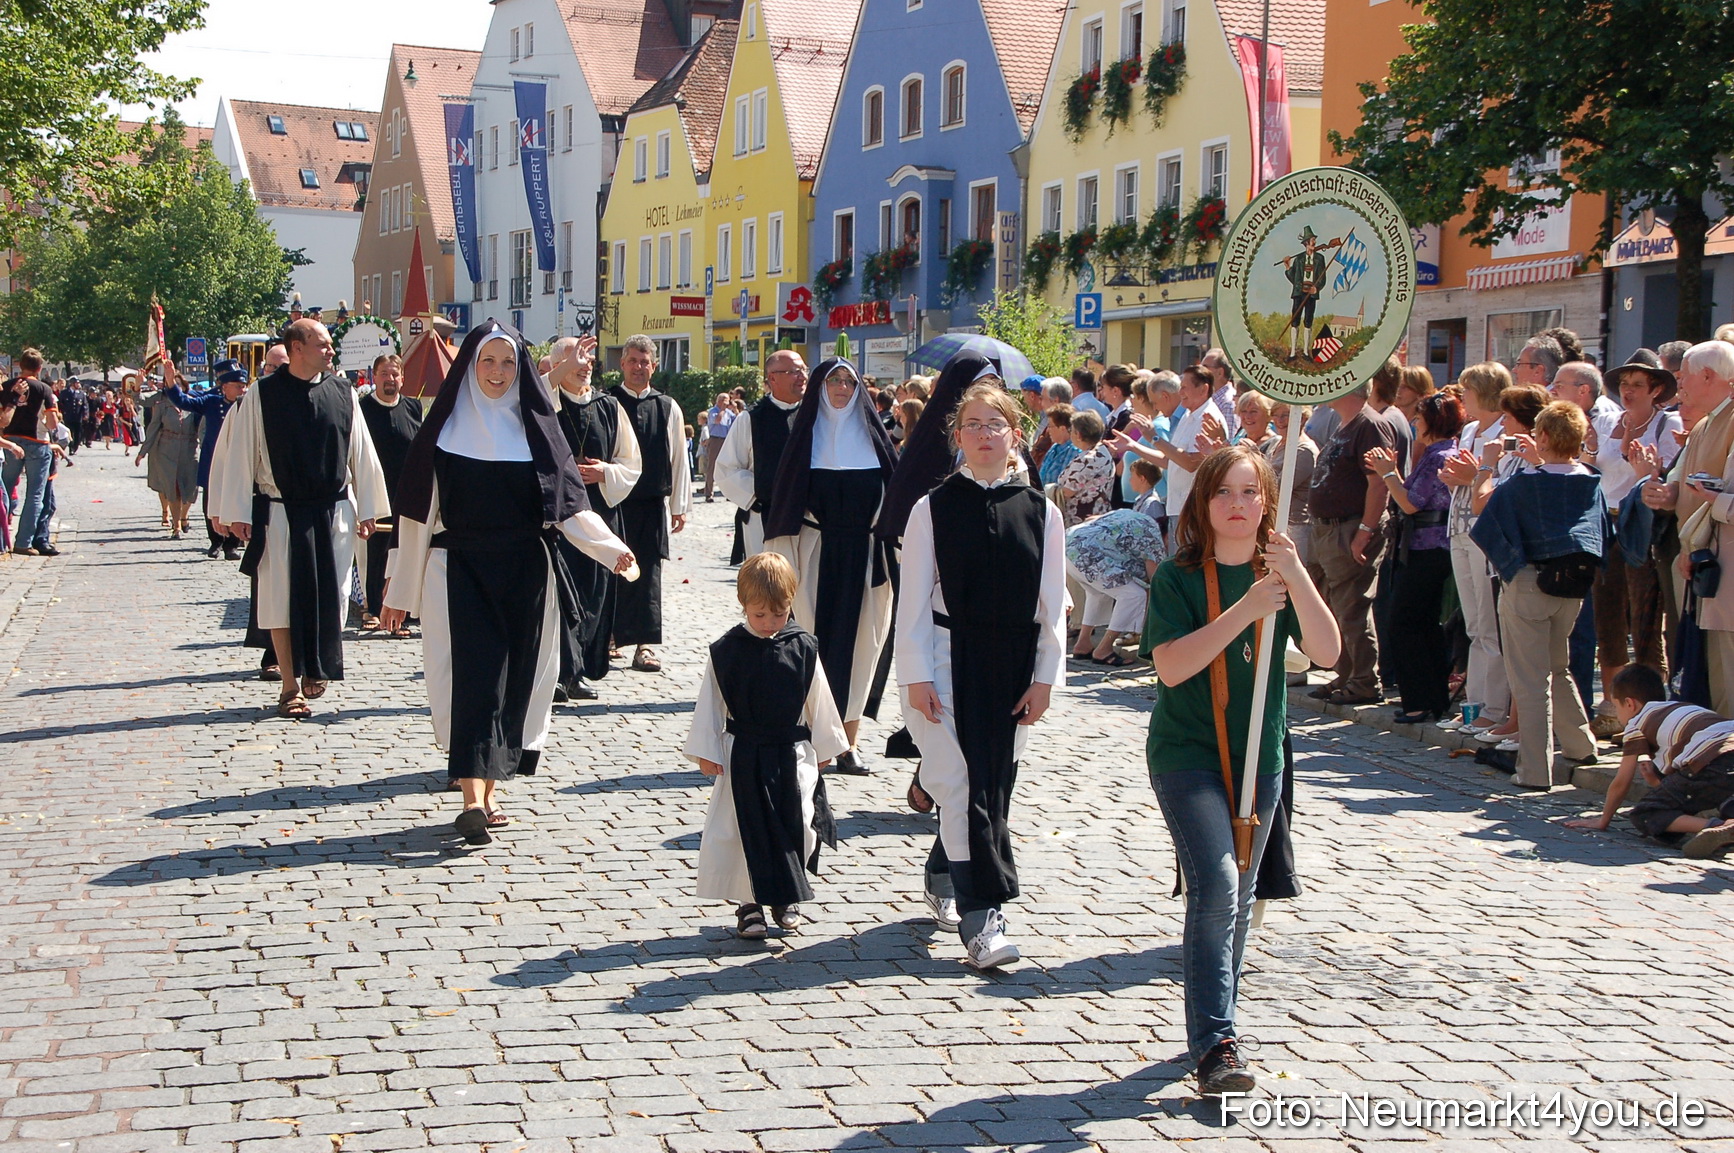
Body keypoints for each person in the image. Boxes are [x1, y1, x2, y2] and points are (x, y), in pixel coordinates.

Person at [379, 322, 636, 843]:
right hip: (457, 570)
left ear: (520, 369)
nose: (497, 373)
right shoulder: (444, 432)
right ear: (469, 367)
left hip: (525, 570)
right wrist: (399, 592)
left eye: (507, 363)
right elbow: (417, 518)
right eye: (487, 362)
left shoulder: (538, 432)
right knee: (473, 678)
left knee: (515, 679)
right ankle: (473, 796)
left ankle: (491, 789)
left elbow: (569, 508)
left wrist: (611, 550)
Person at [1141, 444, 1338, 1095]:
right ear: (1203, 502)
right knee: (1219, 883)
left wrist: (1296, 579)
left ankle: (1211, 1023)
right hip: (1188, 754)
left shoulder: (1279, 575)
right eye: (1224, 491)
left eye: (1250, 492)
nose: (1237, 504)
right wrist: (1246, 610)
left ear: (1267, 503)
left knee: (1240, 900)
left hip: (1262, 758)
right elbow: (1171, 666)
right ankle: (1217, 1042)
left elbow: (1329, 650)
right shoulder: (1177, 577)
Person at [897, 382, 1066, 969]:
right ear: (958, 436)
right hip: (946, 658)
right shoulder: (932, 508)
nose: (986, 434)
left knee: (991, 785)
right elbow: (913, 602)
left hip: (1013, 667)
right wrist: (916, 676)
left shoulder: (1042, 512)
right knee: (965, 782)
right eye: (974, 424)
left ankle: (945, 872)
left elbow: (1052, 603)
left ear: (1015, 433)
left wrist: (1046, 677)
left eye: (996, 423)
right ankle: (983, 918)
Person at [208, 319, 390, 717]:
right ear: (297, 349)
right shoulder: (263, 395)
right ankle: (290, 685)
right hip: (281, 509)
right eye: (322, 344)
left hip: (334, 509)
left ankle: (318, 666)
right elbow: (243, 452)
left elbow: (360, 449)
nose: (330, 350)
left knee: (335, 595)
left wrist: (370, 507)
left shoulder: (344, 393)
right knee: (280, 598)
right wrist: (237, 511)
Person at [686, 551, 849, 937]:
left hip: (792, 753)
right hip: (744, 753)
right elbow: (711, 700)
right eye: (760, 615)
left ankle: (785, 894)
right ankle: (749, 905)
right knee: (745, 830)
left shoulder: (803, 646)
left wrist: (826, 746)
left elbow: (818, 697)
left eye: (778, 614)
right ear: (744, 606)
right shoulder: (727, 650)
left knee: (800, 824)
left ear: (790, 605)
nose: (768, 623)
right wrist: (708, 751)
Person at [763, 358, 898, 777]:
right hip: (816, 552)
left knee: (861, 647)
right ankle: (812, 736)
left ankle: (849, 742)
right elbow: (786, 502)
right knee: (812, 643)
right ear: (820, 387)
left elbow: (895, 497)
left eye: (849, 380)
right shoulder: (806, 439)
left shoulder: (874, 442)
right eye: (834, 380)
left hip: (865, 553)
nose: (841, 386)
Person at [1470, 401, 1606, 789]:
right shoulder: (1591, 481)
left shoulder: (1525, 483)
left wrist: (1486, 465)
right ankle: (1581, 745)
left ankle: (1534, 770)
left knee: (1530, 681)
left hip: (1529, 581)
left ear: (1542, 437)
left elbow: (1484, 509)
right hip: (1573, 585)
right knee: (1556, 666)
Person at [1642, 340, 1734, 713]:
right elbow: (1689, 490)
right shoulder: (1705, 423)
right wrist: (1666, 495)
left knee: (1726, 671)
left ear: (1709, 376)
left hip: (1721, 564)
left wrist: (1706, 516)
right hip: (1703, 562)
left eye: (1685, 380)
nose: (1681, 390)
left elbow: (1716, 497)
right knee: (1709, 668)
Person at [548, 335, 642, 702]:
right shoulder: (548, 403)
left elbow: (630, 462)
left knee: (594, 595)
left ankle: (579, 671)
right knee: (561, 596)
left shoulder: (609, 406)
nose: (585, 363)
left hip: (601, 511)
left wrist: (606, 472)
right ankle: (558, 671)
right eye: (576, 357)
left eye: (588, 357)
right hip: (559, 517)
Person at [1563, 663, 1734, 858]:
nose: (1619, 717)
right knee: (1722, 793)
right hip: (1726, 747)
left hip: (1710, 758)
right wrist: (1656, 783)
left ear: (1629, 704)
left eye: (1617, 708)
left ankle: (1719, 827)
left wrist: (1603, 820)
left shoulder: (1636, 722)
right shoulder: (1683, 707)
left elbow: (1622, 780)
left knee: (1646, 813)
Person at [1365, 392, 1464, 722]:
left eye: (1420, 418)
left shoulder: (1439, 456)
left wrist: (1387, 473)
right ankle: (1430, 697)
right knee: (1424, 624)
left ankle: (1420, 700)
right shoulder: (1436, 453)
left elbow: (1411, 503)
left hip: (1427, 547)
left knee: (1405, 622)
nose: (1414, 423)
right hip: (1425, 546)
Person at [1434, 363, 1516, 739]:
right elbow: (1464, 478)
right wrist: (1452, 477)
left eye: (1466, 390)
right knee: (1473, 624)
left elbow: (1505, 482)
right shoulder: (1468, 430)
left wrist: (1472, 476)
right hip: (1459, 526)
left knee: (1489, 624)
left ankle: (1492, 709)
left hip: (1485, 532)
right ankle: (1474, 705)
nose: (1461, 398)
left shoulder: (1506, 430)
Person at [1304, 382, 1394, 705]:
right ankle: (1346, 674)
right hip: (1330, 530)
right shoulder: (1346, 424)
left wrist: (1366, 530)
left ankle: (1365, 680)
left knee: (1352, 605)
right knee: (1334, 604)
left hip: (1351, 528)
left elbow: (1378, 484)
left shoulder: (1370, 425)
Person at [608, 335, 690, 673]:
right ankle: (610, 637)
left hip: (653, 502)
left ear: (654, 366)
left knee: (649, 576)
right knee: (611, 569)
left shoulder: (667, 406)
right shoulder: (607, 402)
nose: (639, 367)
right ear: (622, 364)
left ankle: (644, 646)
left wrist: (679, 505)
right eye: (632, 361)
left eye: (645, 362)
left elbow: (678, 458)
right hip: (615, 503)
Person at [1602, 355, 1682, 685]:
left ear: (1656, 390)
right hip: (1609, 523)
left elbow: (1667, 474)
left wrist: (1648, 473)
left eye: (1637, 385)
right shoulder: (1612, 422)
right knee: (1607, 618)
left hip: (1646, 527)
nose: (1628, 391)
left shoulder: (1668, 423)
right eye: (1624, 384)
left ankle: (1651, 704)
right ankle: (1612, 706)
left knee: (1645, 618)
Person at [716, 349, 808, 560]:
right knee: (767, 587)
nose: (802, 377)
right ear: (773, 378)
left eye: (804, 370)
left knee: (805, 589)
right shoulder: (751, 419)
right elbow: (726, 470)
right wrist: (762, 492)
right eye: (794, 371)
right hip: (764, 518)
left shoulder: (813, 416)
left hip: (808, 520)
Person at [357, 353, 424, 632]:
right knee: (375, 552)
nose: (390, 379)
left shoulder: (413, 407)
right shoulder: (362, 408)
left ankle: (403, 611)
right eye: (384, 374)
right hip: (374, 490)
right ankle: (372, 608)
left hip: (406, 493)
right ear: (374, 377)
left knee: (404, 551)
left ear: (402, 378)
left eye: (395, 374)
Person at [162, 359, 250, 560]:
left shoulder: (248, 404)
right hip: (214, 458)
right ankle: (216, 541)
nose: (242, 390)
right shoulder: (212, 402)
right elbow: (184, 402)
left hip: (239, 459)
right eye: (237, 386)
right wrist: (170, 381)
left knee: (238, 498)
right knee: (212, 500)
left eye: (243, 386)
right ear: (225, 387)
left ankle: (232, 545)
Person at [1066, 496, 1167, 665]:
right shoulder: (1154, 535)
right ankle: (1104, 649)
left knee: (1099, 593)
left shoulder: (1133, 516)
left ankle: (1082, 644)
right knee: (1134, 595)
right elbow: (1155, 583)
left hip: (1070, 545)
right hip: (1087, 552)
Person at [1138, 365, 1225, 534]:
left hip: (1193, 509)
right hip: (1179, 507)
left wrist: (1154, 438)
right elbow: (1172, 460)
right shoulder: (1188, 415)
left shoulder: (1209, 417)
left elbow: (1192, 462)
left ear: (1203, 389)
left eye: (1184, 388)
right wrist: (1133, 445)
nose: (1180, 393)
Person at [3, 349, 62, 556]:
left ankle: (3, 538)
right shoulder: (44, 388)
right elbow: (52, 423)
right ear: (39, 368)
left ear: (20, 365)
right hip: (37, 442)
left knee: (5, 489)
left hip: (10, 441)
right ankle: (23, 542)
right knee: (35, 495)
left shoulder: (8, 386)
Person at [136, 370, 203, 540]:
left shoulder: (194, 402)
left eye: (177, 383)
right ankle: (176, 526)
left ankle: (184, 516)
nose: (175, 386)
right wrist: (143, 452)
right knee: (174, 489)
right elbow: (152, 427)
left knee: (191, 488)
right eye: (171, 383)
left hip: (189, 448)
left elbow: (203, 427)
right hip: (167, 450)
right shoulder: (162, 403)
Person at [1054, 410, 1113, 525]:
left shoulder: (1087, 459)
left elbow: (1068, 491)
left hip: (1081, 519)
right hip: (1098, 514)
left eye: (1071, 430)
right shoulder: (1102, 450)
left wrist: (1049, 490)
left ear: (1079, 435)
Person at [1199, 348, 1242, 442]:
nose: (1199, 372)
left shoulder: (1229, 403)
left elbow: (1230, 441)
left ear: (1220, 373)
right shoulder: (1210, 399)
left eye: (1205, 367)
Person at [701, 391, 735, 501]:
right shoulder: (712, 412)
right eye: (726, 401)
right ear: (720, 401)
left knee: (728, 467)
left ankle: (729, 493)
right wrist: (722, 410)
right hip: (715, 440)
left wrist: (735, 409)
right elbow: (717, 421)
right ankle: (708, 494)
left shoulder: (729, 413)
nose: (728, 403)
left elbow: (738, 421)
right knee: (712, 467)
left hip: (726, 440)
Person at [1038, 405, 1079, 486]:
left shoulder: (1074, 451)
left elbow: (1064, 483)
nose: (1048, 430)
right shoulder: (1054, 448)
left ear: (1062, 428)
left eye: (1050, 426)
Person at [57, 380, 88, 455]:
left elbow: (85, 405)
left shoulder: (81, 394)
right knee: (70, 433)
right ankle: (71, 448)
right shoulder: (65, 393)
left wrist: (85, 414)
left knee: (78, 434)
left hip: (78, 417)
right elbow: (60, 404)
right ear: (72, 384)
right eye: (76, 383)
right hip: (68, 416)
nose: (78, 385)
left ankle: (75, 446)